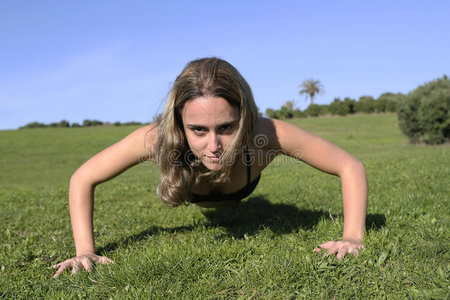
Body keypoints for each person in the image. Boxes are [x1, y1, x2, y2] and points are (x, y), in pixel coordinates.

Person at [51, 57, 368, 278]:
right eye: (198, 130)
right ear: (179, 123)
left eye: (227, 128)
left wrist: (352, 237)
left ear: (244, 118)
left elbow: (349, 165)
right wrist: (85, 251)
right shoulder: (155, 139)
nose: (214, 145)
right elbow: (83, 177)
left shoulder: (266, 134)